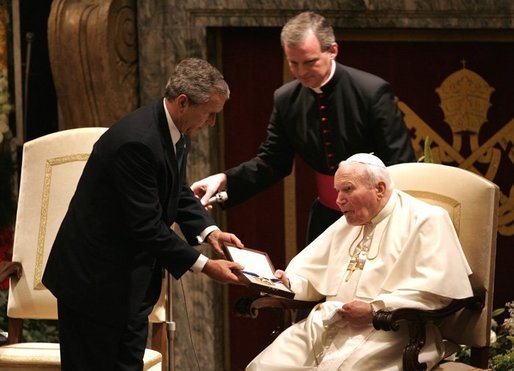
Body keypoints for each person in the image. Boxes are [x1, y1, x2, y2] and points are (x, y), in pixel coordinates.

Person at [42, 58, 245, 371]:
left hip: (129, 285)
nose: (212, 123)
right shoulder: (137, 142)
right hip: (94, 286)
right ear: (183, 102)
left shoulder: (178, 130)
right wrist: (205, 266)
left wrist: (210, 232)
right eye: (210, 113)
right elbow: (146, 226)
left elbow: (175, 190)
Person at [191, 11, 416, 245]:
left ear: (332, 51)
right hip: (327, 221)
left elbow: (401, 163)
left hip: (377, 217)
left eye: (310, 62)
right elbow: (271, 162)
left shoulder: (372, 92)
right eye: (293, 63)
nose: (300, 72)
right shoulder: (286, 99)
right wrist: (224, 180)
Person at [246, 153, 473, 371]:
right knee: (262, 366)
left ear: (380, 189)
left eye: (347, 189)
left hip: (393, 331)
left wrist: (375, 309)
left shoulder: (426, 220)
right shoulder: (349, 223)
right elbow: (312, 276)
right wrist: (289, 283)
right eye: (337, 191)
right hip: (328, 322)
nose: (338, 200)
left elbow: (437, 291)